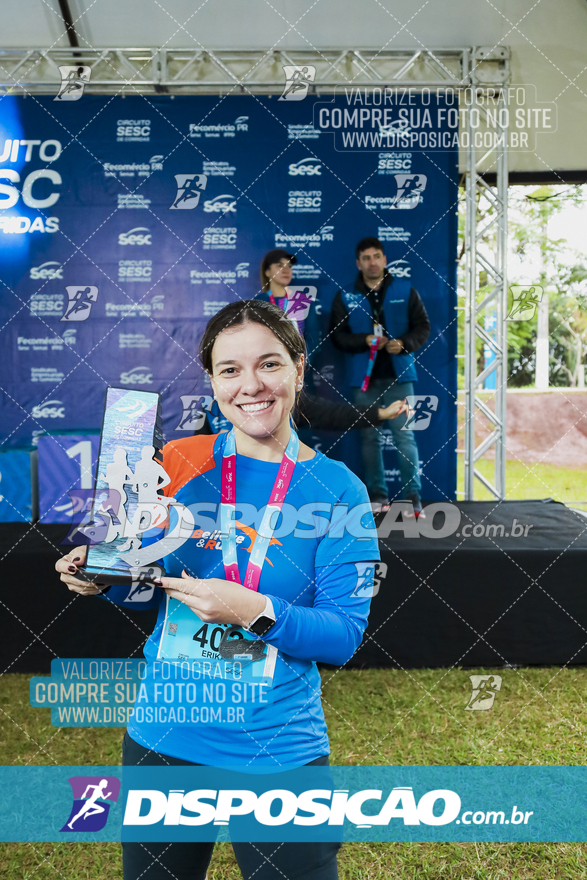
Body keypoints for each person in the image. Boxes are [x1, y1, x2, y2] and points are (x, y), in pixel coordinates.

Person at [56, 299, 380, 880]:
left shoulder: (338, 490)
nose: (250, 385)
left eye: (269, 364)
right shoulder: (178, 461)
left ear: (299, 369)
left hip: (277, 747)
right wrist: (100, 571)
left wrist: (255, 610)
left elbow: (342, 637)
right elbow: (146, 579)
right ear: (211, 380)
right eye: (230, 369)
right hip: (165, 733)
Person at [253, 248, 409, 436]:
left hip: (300, 372)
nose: (286, 270)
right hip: (270, 374)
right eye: (279, 266)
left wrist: (301, 362)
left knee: (302, 423)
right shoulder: (259, 302)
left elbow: (312, 335)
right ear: (267, 272)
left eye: (289, 266)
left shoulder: (298, 300)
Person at [329, 236, 431, 515]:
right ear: (358, 263)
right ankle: (377, 496)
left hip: (399, 378)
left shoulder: (405, 289)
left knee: (405, 437)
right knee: (369, 439)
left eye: (376, 257)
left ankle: (413, 497)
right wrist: (363, 340)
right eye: (366, 258)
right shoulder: (345, 295)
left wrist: (405, 344)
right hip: (364, 381)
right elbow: (337, 337)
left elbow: (423, 326)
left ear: (385, 260)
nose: (372, 262)